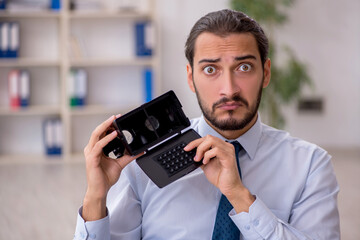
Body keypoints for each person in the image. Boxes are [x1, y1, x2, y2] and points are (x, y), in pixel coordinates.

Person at [74, 9, 340, 240]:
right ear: (190, 78)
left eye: (244, 67)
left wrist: (239, 197)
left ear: (266, 73)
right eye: (210, 70)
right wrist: (96, 197)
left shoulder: (311, 166)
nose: (229, 89)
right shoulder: (140, 165)